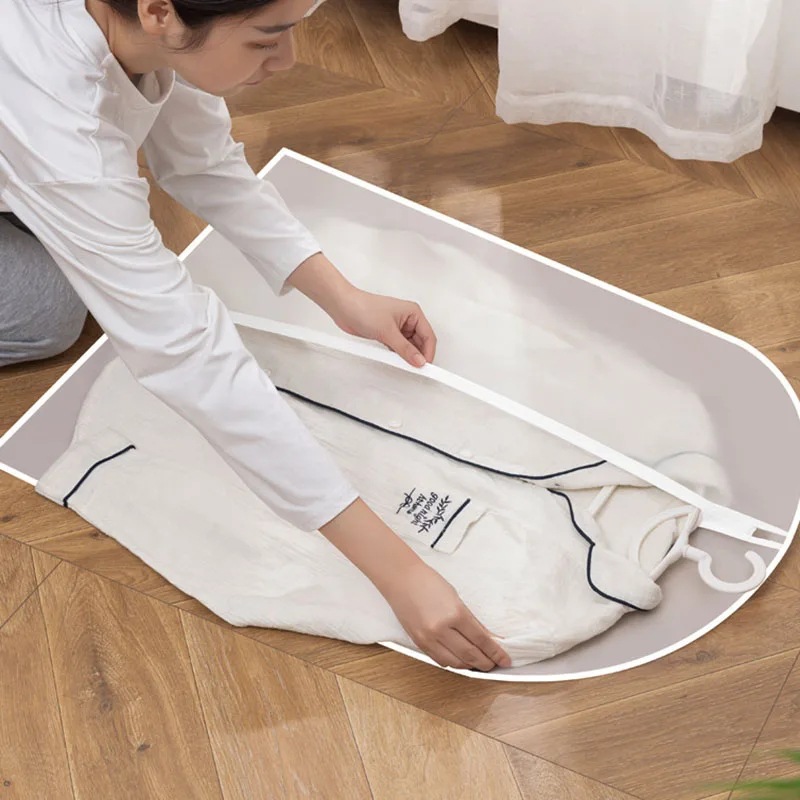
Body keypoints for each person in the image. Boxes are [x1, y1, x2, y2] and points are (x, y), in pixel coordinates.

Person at [0, 0, 512, 671]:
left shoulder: (154, 33)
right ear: (158, 13)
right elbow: (186, 352)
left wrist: (344, 298)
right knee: (48, 309)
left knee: (68, 274)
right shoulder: (55, 111)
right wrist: (398, 570)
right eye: (268, 38)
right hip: (34, 125)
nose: (289, 59)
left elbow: (201, 162)